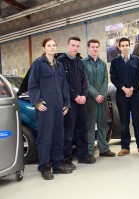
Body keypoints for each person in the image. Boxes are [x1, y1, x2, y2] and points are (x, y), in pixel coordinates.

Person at [28, 37, 72, 180]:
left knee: (58, 136)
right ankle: (45, 166)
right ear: (44, 48)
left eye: (54, 45)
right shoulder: (38, 64)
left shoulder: (59, 65)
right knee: (45, 137)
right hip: (45, 108)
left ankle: (57, 164)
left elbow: (64, 87)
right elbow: (32, 85)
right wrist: (37, 102)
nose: (52, 48)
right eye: (49, 45)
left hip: (59, 107)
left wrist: (67, 104)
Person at [57, 36, 96, 169]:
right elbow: (63, 83)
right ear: (68, 46)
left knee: (82, 129)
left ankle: (83, 156)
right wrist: (75, 96)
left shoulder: (80, 62)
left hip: (82, 102)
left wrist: (84, 95)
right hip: (69, 102)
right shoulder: (61, 61)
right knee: (68, 132)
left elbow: (85, 81)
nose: (75, 48)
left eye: (77, 46)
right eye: (73, 45)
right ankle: (66, 159)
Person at [110, 37, 139, 156]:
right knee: (124, 121)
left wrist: (132, 88)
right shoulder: (115, 61)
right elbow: (113, 77)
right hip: (121, 95)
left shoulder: (136, 60)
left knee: (137, 120)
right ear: (119, 47)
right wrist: (123, 88)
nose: (125, 47)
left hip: (135, 94)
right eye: (123, 45)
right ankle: (125, 147)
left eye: (127, 45)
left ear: (130, 46)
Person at [83, 39, 116, 157]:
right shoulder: (83, 63)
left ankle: (103, 149)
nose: (95, 49)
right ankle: (90, 151)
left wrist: (101, 95)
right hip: (90, 100)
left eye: (97, 47)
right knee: (90, 126)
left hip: (101, 99)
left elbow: (105, 80)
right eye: (93, 47)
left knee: (103, 124)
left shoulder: (102, 63)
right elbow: (85, 82)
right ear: (88, 48)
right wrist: (95, 95)